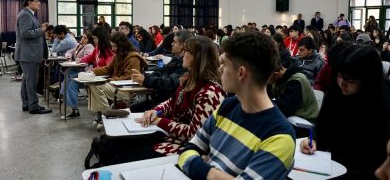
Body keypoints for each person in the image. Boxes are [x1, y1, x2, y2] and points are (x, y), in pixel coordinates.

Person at [178, 31, 296, 179]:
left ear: (241, 73)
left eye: (225, 64)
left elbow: (191, 158)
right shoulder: (228, 106)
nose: (220, 69)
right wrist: (215, 174)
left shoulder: (279, 137)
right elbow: (186, 152)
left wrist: (206, 170)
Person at [95, 36, 225, 166]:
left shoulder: (209, 92)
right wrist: (155, 111)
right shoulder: (190, 80)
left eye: (186, 50)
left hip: (185, 148)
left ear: (197, 57)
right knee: (115, 145)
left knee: (121, 158)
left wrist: (160, 121)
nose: (183, 53)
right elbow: (171, 102)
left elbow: (194, 134)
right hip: (170, 135)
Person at [300, 45, 390, 179]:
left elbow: (377, 156)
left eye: (350, 80)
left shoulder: (383, 102)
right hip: (330, 164)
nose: (342, 83)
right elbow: (324, 124)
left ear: (367, 80)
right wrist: (314, 140)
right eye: (339, 76)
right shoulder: (336, 91)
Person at [87, 32, 147, 121]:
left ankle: (105, 114)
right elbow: (109, 69)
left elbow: (129, 77)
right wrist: (93, 71)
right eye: (112, 46)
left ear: (122, 45)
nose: (113, 49)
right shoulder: (119, 55)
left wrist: (110, 80)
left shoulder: (133, 58)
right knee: (92, 84)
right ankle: (104, 114)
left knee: (96, 85)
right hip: (117, 86)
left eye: (114, 46)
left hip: (127, 91)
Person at [130, 30, 192, 112]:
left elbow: (169, 84)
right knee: (133, 108)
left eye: (174, 42)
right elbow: (161, 71)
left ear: (183, 45)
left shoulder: (185, 65)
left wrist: (146, 79)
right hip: (162, 99)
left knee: (133, 109)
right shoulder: (176, 59)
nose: (171, 44)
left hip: (167, 102)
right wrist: (145, 76)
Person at [62, 28, 114, 119]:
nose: (94, 41)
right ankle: (75, 109)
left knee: (70, 76)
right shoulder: (97, 48)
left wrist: (95, 71)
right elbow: (90, 57)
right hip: (94, 76)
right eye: (94, 38)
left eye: (96, 38)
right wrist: (80, 60)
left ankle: (102, 114)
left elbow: (109, 68)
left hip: (102, 78)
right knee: (71, 83)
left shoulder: (108, 50)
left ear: (102, 38)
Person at [15, 0, 52, 114]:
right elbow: (25, 33)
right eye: (37, 1)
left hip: (29, 54)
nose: (39, 3)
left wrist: (41, 28)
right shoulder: (25, 14)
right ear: (29, 3)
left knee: (27, 81)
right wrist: (40, 29)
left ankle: (27, 104)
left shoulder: (29, 14)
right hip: (29, 55)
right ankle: (33, 106)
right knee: (31, 82)